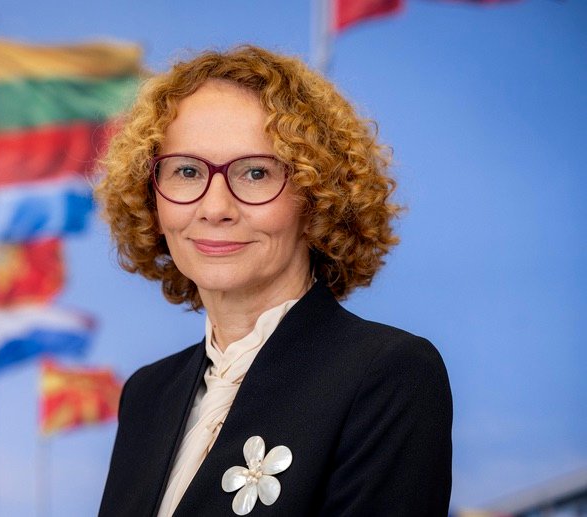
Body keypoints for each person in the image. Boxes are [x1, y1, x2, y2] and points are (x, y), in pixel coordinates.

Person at [96, 45, 452, 517]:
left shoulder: (388, 375)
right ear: (151, 198)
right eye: (187, 171)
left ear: (318, 196)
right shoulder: (147, 394)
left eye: (256, 173)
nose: (215, 208)